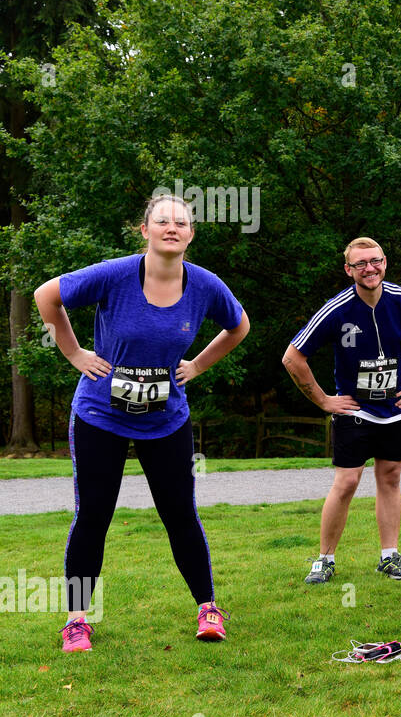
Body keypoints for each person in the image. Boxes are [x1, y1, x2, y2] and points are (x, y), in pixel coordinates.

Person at [33, 194, 250, 652]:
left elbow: (238, 326)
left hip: (166, 420)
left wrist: (198, 365)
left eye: (182, 222)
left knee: (180, 514)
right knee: (93, 515)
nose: (172, 228)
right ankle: (77, 620)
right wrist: (74, 353)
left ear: (191, 234)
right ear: (145, 229)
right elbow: (46, 297)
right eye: (163, 221)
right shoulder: (114, 275)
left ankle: (208, 608)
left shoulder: (206, 285)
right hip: (100, 416)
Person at [282, 238, 401, 584]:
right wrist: (324, 400)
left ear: (385, 262)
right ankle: (324, 559)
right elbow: (293, 358)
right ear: (348, 270)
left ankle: (389, 556)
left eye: (375, 261)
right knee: (347, 481)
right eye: (360, 264)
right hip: (354, 410)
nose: (369, 269)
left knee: (391, 477)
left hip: (396, 408)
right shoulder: (337, 308)